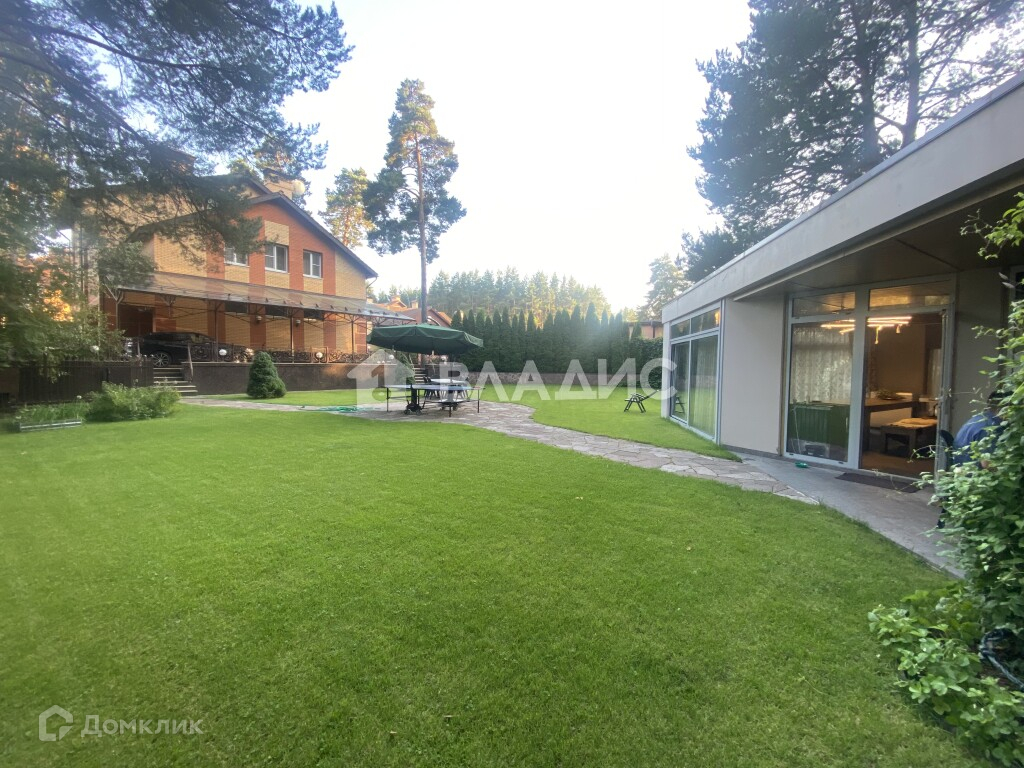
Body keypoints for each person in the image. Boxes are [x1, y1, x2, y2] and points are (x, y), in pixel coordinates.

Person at [937, 390, 1006, 528]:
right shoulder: (993, 427)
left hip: (960, 468)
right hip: (973, 476)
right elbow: (987, 464)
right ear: (1005, 408)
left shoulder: (978, 418)